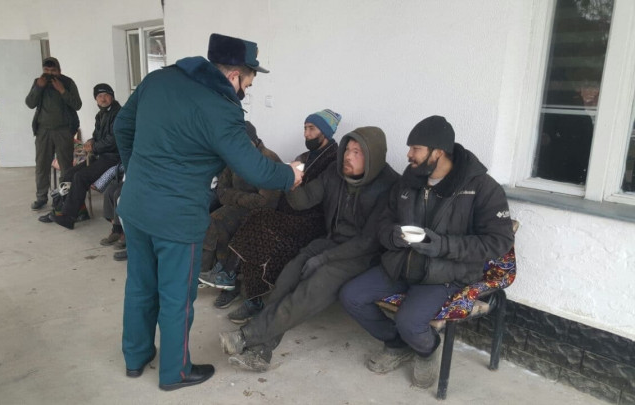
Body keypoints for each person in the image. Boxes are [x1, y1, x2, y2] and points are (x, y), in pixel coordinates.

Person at [113, 33, 303, 391]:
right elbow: (254, 168)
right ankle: (175, 372)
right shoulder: (220, 107)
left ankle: (136, 357)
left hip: (135, 206)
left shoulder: (159, 79)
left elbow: (121, 127)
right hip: (177, 218)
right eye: (248, 83)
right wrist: (289, 174)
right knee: (175, 297)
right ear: (234, 76)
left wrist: (137, 172)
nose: (245, 91)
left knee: (139, 284)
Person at [338, 115, 515, 388]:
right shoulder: (409, 181)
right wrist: (393, 235)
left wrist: (443, 245)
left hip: (445, 273)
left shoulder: (481, 187)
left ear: (438, 152)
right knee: (351, 296)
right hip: (402, 263)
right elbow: (384, 222)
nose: (409, 154)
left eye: (416, 149)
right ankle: (398, 344)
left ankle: (426, 349)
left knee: (410, 323)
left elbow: (498, 241)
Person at [219, 127, 399, 372]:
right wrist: (289, 181)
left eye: (357, 152)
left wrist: (324, 258)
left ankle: (247, 336)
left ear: (373, 156)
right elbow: (304, 201)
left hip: (362, 255)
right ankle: (262, 350)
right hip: (330, 242)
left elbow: (367, 242)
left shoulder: (389, 186)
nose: (348, 156)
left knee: (310, 289)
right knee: (287, 277)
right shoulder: (335, 173)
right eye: (347, 149)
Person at [214, 109, 341, 320]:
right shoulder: (305, 157)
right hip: (292, 214)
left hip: (312, 220)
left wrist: (291, 181)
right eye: (305, 128)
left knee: (259, 221)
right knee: (256, 227)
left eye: (311, 129)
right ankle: (249, 296)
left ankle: (230, 274)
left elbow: (311, 198)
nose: (306, 134)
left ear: (326, 132)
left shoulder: (333, 162)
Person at [198, 121, 282, 288]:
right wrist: (243, 197)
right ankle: (215, 270)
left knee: (224, 220)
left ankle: (226, 274)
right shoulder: (234, 158)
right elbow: (222, 191)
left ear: (253, 140)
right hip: (237, 207)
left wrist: (234, 196)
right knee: (213, 219)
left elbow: (265, 201)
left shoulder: (268, 159)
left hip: (262, 214)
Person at [39, 83, 122, 229]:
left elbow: (114, 140)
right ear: (96, 99)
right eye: (99, 96)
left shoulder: (118, 114)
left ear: (112, 97)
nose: (103, 99)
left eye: (106, 95)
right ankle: (70, 211)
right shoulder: (100, 115)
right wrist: (90, 141)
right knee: (68, 174)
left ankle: (68, 217)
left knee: (80, 177)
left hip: (113, 157)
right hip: (101, 155)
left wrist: (94, 147)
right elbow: (97, 136)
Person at [25, 57, 82, 211]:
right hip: (43, 131)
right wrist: (38, 87)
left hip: (63, 131)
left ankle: (64, 198)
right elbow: (30, 103)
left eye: (53, 71)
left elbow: (77, 105)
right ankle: (41, 197)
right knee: (41, 166)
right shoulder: (38, 82)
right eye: (46, 70)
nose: (49, 74)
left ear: (59, 71)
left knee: (66, 167)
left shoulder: (68, 82)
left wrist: (62, 90)